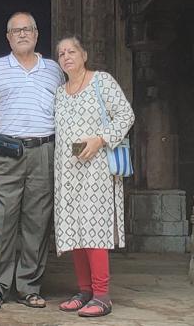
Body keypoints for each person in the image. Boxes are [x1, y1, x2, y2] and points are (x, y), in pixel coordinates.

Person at [0, 12, 64, 310]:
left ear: (37, 34)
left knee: (37, 222)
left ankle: (28, 286)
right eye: (16, 31)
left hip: (44, 151)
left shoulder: (54, 69)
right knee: (4, 221)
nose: (22, 34)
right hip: (5, 152)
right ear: (8, 37)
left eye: (28, 29)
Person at [52, 36, 135, 317]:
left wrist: (101, 139)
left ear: (84, 54)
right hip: (67, 169)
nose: (66, 56)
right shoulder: (60, 92)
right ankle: (84, 291)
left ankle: (101, 295)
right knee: (74, 230)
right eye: (61, 53)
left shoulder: (102, 81)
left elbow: (126, 115)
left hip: (97, 169)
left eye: (71, 51)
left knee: (93, 229)